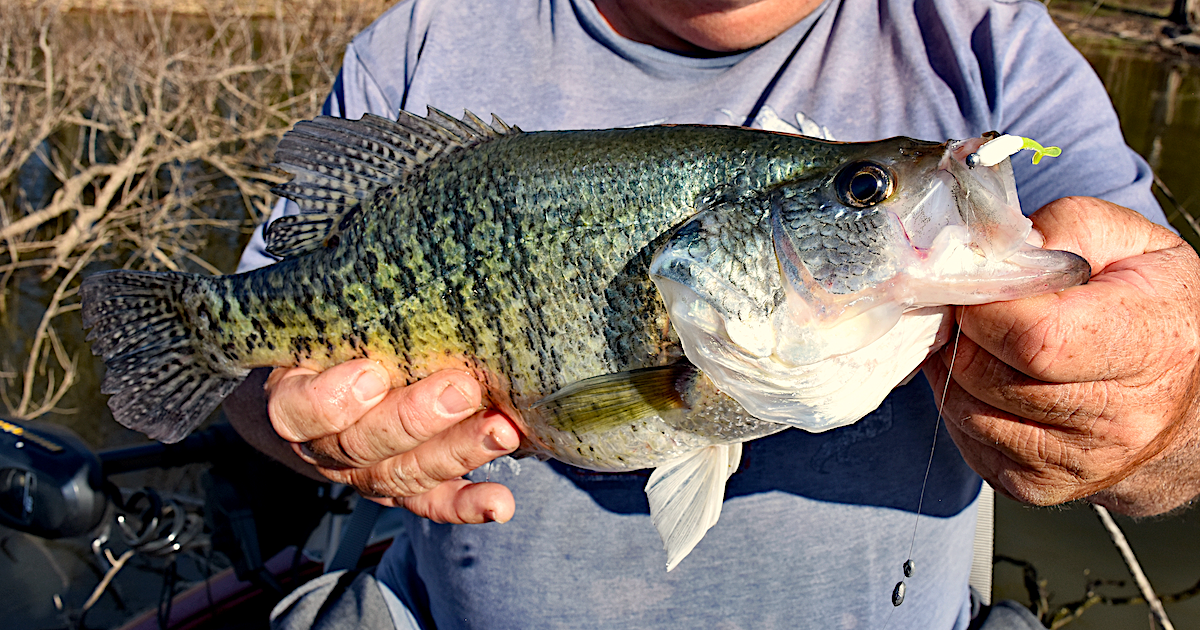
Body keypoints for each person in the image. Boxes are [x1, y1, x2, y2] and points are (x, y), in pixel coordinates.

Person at [224, 1, 1200, 628]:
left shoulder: (985, 39)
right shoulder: (421, 41)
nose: (893, 196)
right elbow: (250, 363)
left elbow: (1179, 377)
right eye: (866, 188)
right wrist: (294, 424)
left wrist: (1164, 405)